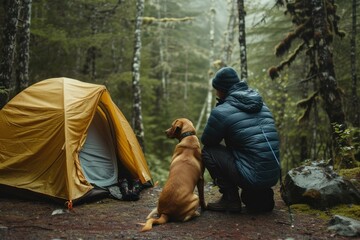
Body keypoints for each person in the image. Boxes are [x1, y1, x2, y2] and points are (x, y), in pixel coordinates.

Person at [201, 66, 280, 213]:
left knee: (208, 151)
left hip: (251, 176)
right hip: (271, 175)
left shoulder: (222, 111)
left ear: (222, 90)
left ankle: (230, 199)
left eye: (216, 89)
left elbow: (208, 140)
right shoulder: (262, 105)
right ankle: (260, 195)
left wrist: (220, 109)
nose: (216, 92)